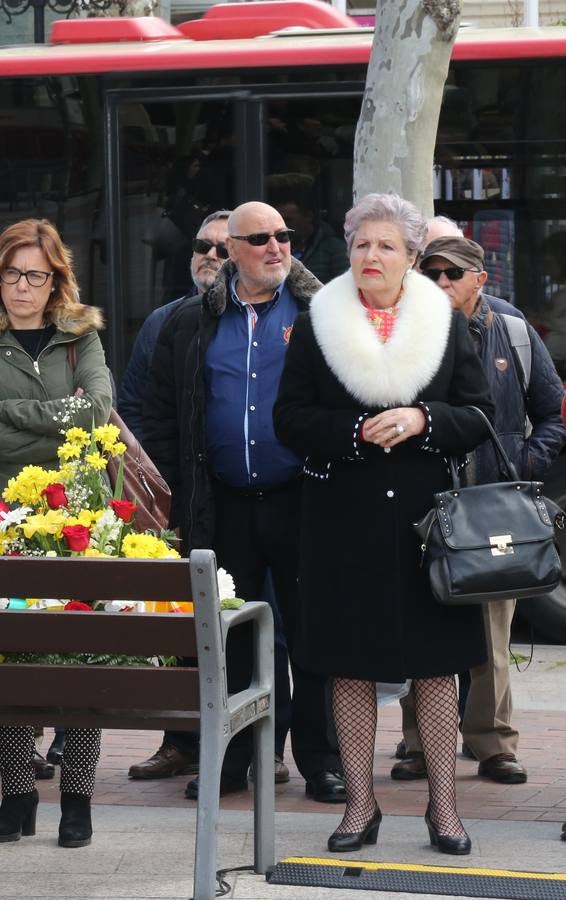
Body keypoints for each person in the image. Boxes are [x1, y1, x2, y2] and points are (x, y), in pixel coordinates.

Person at [274, 192, 493, 855]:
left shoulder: (445, 325)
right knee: (348, 667)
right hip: (341, 522)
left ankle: (445, 812)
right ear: (349, 251)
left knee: (436, 668)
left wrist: (425, 420)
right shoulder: (318, 323)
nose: (372, 256)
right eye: (362, 244)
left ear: (412, 257)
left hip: (428, 529)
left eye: (387, 246)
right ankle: (359, 811)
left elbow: (480, 415)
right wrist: (351, 430)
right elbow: (289, 419)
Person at [142, 201, 345, 804]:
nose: (277, 247)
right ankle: (230, 763)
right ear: (230, 250)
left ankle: (321, 760)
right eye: (260, 239)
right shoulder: (189, 320)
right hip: (224, 502)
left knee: (312, 636)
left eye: (285, 235)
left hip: (302, 497)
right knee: (230, 640)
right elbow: (160, 414)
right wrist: (177, 498)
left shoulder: (320, 312)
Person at [0, 218, 109, 848]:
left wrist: (13, 412)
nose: (22, 287)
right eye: (12, 274)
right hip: (0, 518)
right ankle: (17, 794)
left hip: (75, 516)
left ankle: (78, 799)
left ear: (55, 282)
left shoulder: (80, 337)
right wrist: (51, 425)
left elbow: (95, 411)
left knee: (79, 657)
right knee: (13, 657)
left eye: (35, 276)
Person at [386, 236, 564, 790]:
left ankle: (493, 744)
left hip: (494, 503)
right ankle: (420, 742)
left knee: (493, 629)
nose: (440, 283)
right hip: (425, 505)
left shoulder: (513, 331)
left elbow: (552, 412)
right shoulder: (405, 334)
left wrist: (521, 463)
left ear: (479, 279)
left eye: (451, 274)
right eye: (431, 272)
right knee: (424, 622)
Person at [117, 210, 230, 441]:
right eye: (202, 245)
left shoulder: (254, 321)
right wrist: (155, 465)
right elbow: (132, 406)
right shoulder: (159, 321)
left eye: (223, 250)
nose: (210, 255)